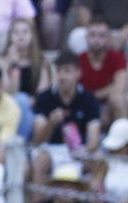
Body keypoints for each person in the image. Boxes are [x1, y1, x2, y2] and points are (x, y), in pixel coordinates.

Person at [30, 50, 104, 194]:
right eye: (59, 71)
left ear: (78, 73)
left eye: (67, 71)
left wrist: (82, 152)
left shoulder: (89, 99)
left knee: (99, 161)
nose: (62, 76)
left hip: (80, 149)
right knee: (40, 160)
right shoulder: (44, 98)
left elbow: (93, 140)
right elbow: (37, 140)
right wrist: (50, 124)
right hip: (52, 149)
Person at [68, 0, 128, 112]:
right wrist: (100, 34)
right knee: (77, 36)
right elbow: (83, 12)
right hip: (101, 29)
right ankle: (81, 92)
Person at [1, 16, 53, 140]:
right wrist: (13, 65)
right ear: (10, 36)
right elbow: (8, 93)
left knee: (28, 109)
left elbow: (42, 95)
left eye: (25, 32)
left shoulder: (41, 62)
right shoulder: (2, 61)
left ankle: (20, 143)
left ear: (32, 36)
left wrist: (29, 102)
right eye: (16, 32)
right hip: (7, 108)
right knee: (21, 99)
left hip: (32, 108)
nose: (21, 36)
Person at [76, 16, 128, 120]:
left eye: (101, 35)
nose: (96, 40)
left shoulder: (118, 58)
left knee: (116, 98)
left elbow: (120, 87)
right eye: (92, 35)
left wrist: (92, 95)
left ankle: (124, 130)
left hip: (108, 106)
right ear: (86, 37)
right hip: (84, 106)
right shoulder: (77, 60)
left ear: (109, 38)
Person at [28, 160, 102, 203]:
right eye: (62, 186)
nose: (66, 191)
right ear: (54, 187)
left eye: (71, 186)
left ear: (78, 189)